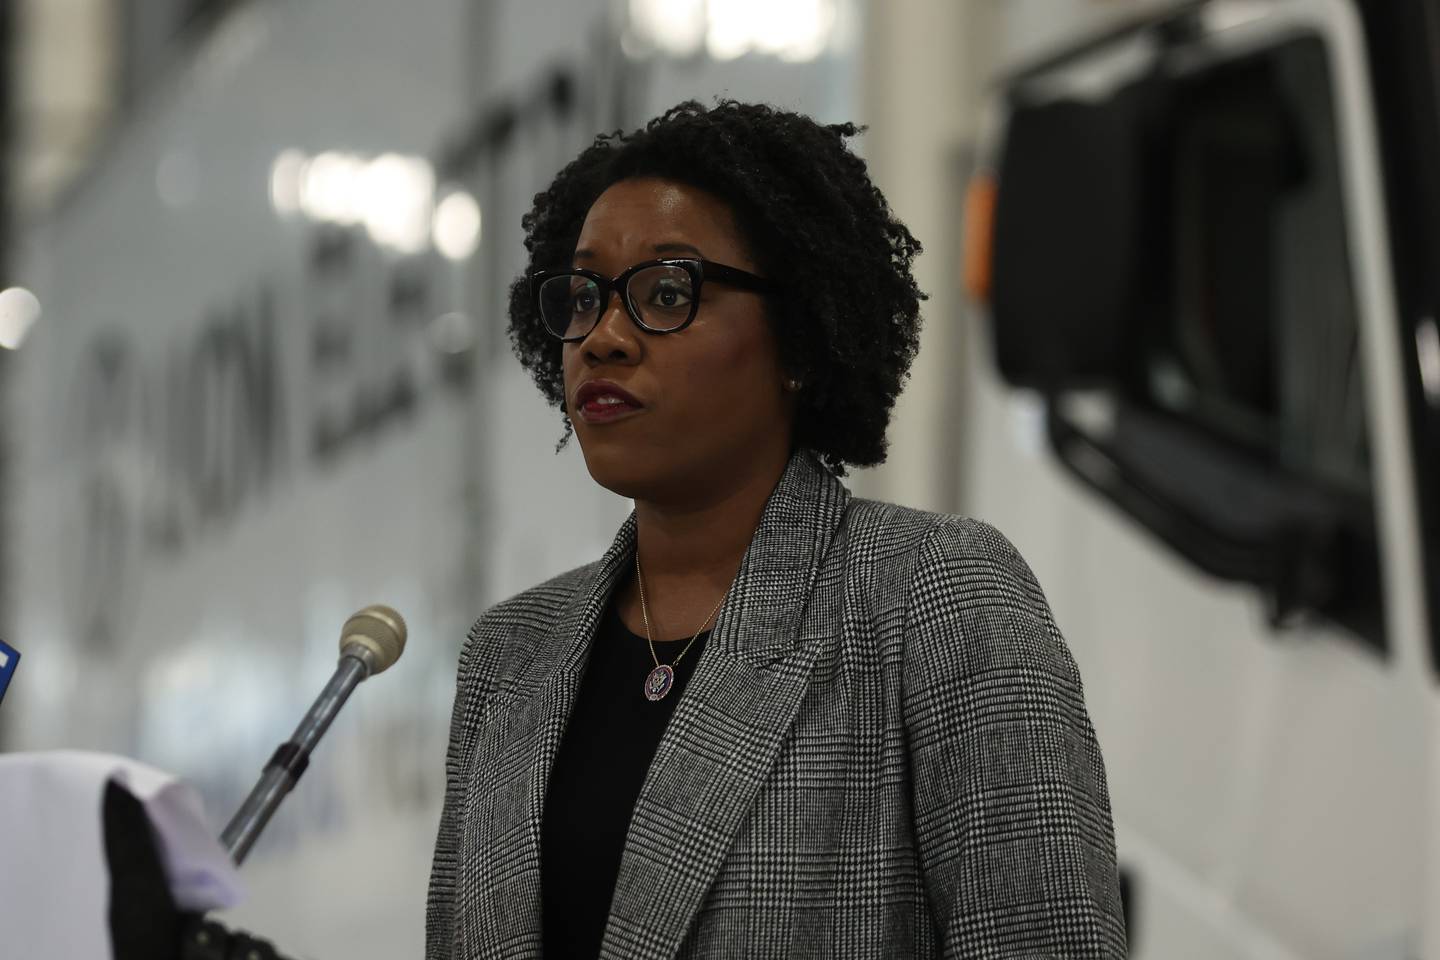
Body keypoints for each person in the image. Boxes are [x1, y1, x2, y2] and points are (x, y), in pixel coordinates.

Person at [426, 100, 1126, 960]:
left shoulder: (933, 595)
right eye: (584, 296)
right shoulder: (507, 657)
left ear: (798, 339)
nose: (603, 337)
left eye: (667, 293)